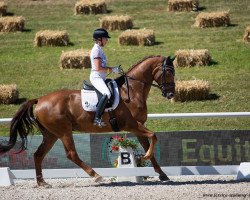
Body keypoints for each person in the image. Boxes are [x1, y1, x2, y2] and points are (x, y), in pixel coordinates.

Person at [90, 28, 121, 127]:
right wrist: (112, 69)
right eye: (105, 38)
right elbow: (98, 68)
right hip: (96, 77)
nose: (107, 40)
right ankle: (97, 118)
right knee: (107, 93)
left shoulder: (99, 50)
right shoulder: (96, 51)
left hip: (101, 77)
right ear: (99, 39)